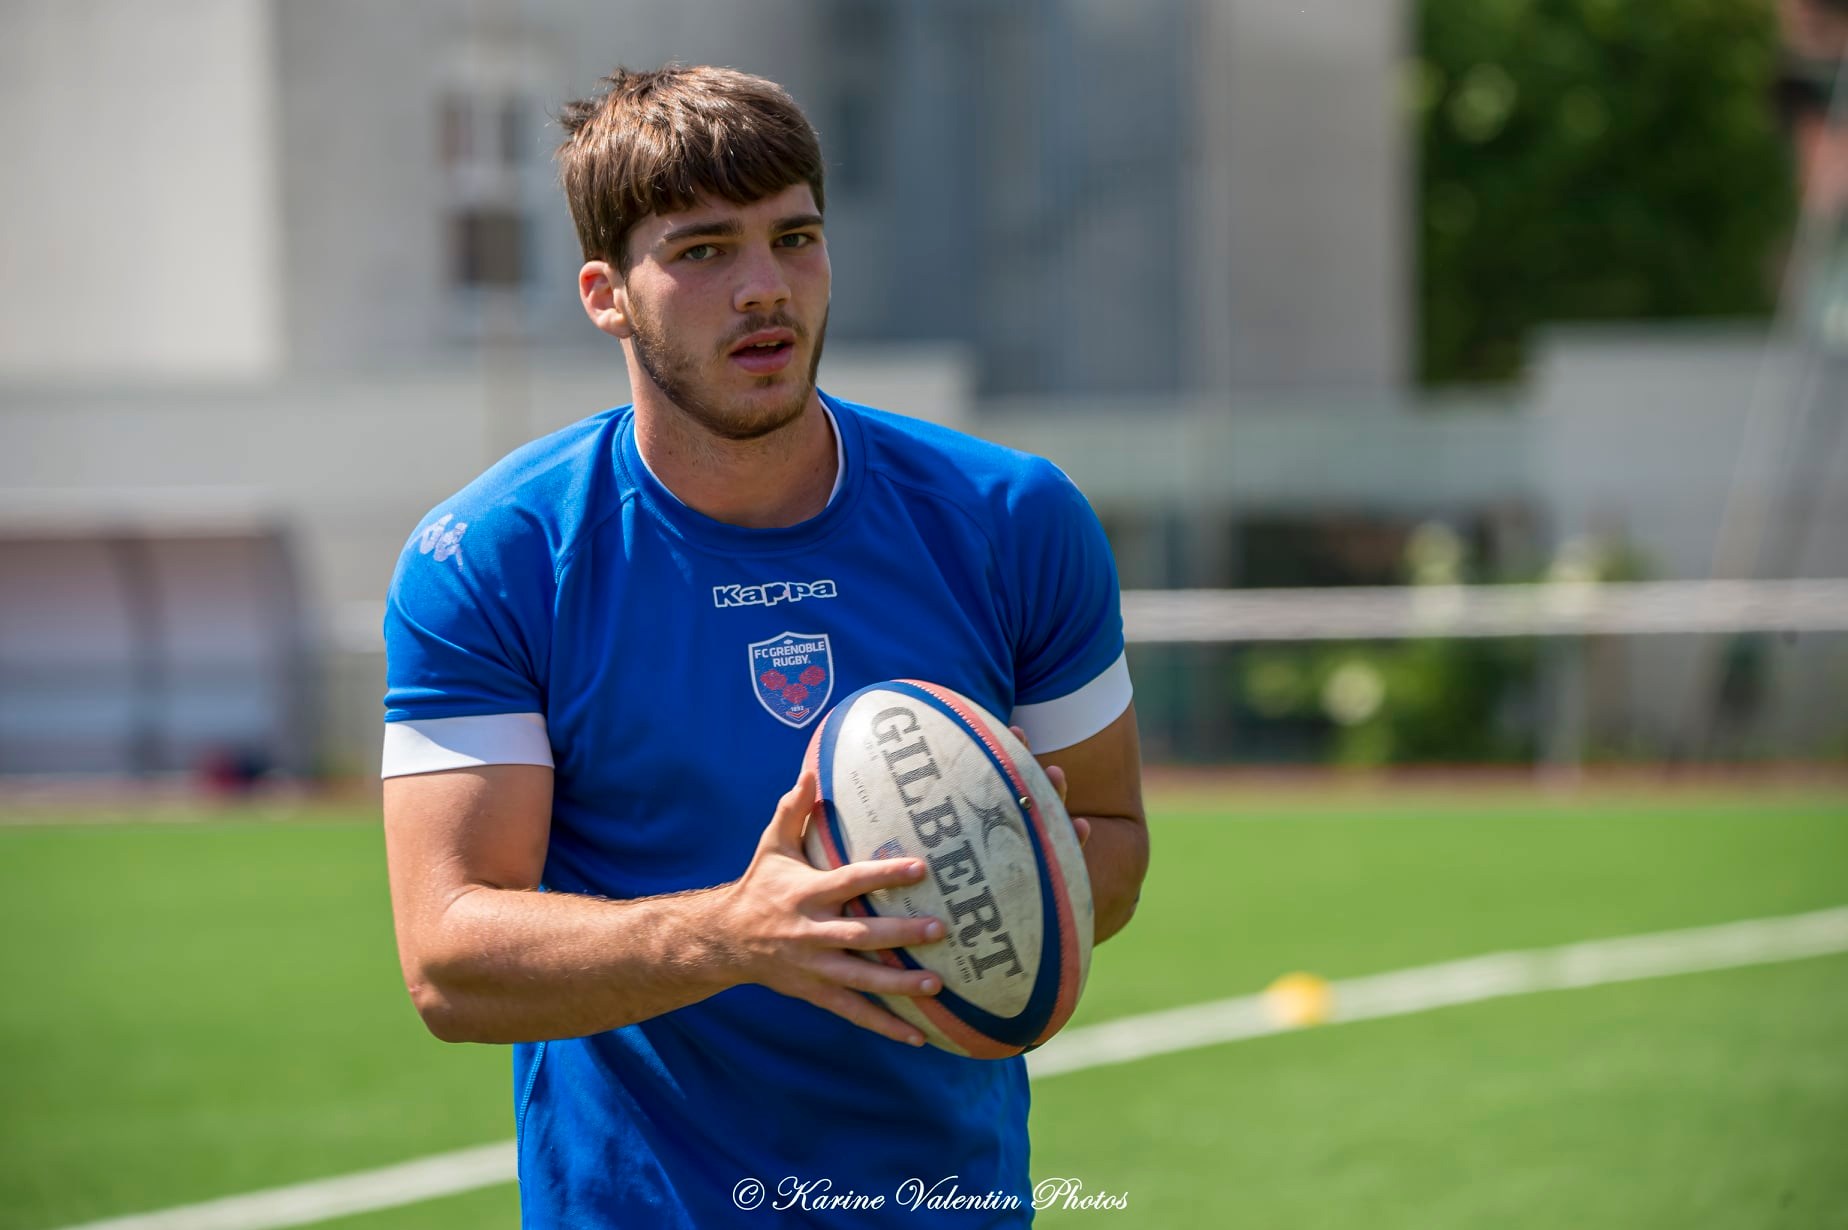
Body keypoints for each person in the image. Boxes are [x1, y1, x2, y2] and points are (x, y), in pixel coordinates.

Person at [380, 63, 1147, 1227]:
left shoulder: (1011, 519)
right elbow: (447, 956)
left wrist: (992, 888)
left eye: (795, 238)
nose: (764, 289)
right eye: (701, 252)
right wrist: (732, 937)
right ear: (606, 293)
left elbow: (1115, 837)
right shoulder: (494, 557)